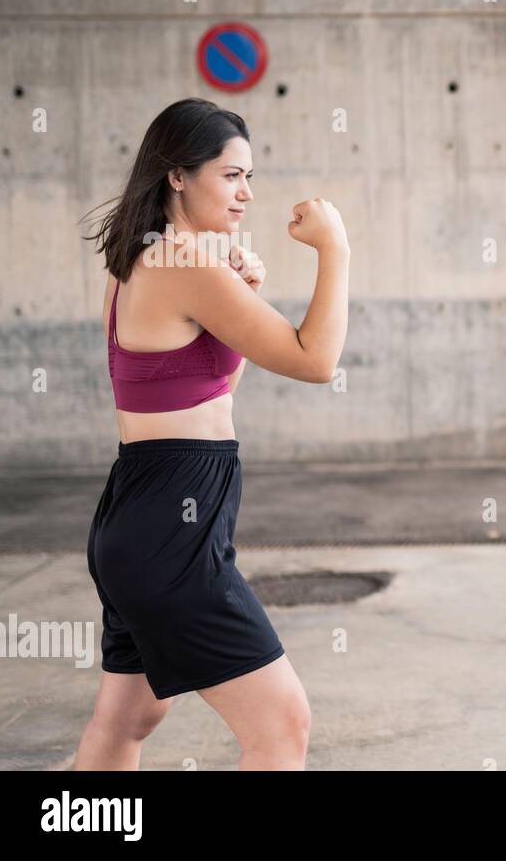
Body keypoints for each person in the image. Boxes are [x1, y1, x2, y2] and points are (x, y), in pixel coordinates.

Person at [75, 98, 350, 770]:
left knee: (130, 717)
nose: (246, 193)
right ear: (177, 175)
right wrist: (335, 247)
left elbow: (209, 402)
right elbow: (317, 361)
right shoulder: (185, 262)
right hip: (170, 530)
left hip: (139, 520)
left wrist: (237, 315)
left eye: (248, 176)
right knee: (282, 724)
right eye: (230, 175)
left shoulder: (142, 261)